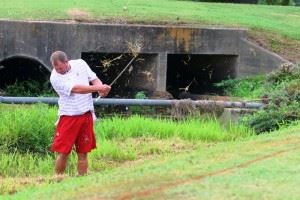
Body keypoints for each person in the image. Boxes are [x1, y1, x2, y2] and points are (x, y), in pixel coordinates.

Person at [49, 51, 111, 176]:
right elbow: (77, 89)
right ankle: (58, 178)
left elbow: (93, 78)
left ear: (67, 62)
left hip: (86, 113)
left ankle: (82, 178)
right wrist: (99, 88)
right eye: (56, 68)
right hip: (68, 116)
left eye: (60, 67)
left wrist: (101, 89)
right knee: (64, 151)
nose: (58, 70)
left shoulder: (80, 64)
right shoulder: (55, 77)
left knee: (83, 151)